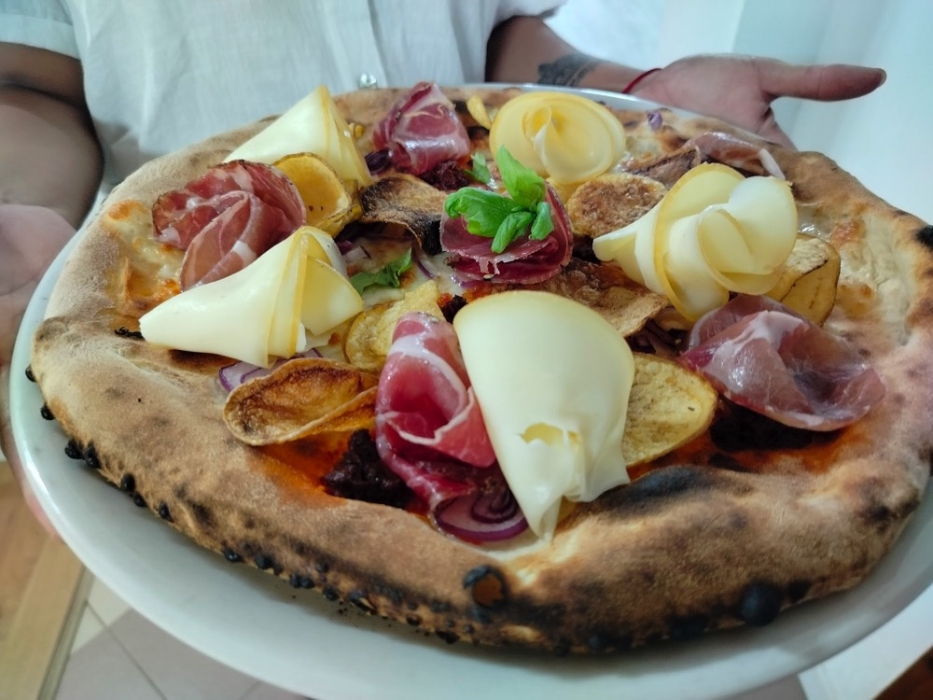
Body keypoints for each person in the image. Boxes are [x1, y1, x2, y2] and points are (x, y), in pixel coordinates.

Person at [0, 1, 886, 531]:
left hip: (482, 180)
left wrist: (631, 97)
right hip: (188, 307)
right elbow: (31, 85)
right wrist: (20, 212)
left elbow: (496, 31)